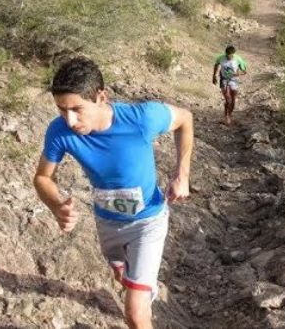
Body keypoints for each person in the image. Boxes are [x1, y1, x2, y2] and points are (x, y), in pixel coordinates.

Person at [32, 57, 193, 329]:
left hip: (148, 222)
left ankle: (142, 292)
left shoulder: (141, 119)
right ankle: (139, 283)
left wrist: (182, 174)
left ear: (101, 97)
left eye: (77, 109)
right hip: (107, 223)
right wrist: (56, 204)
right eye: (61, 110)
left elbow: (185, 119)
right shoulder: (59, 131)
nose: (69, 120)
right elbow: (42, 177)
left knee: (135, 314)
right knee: (122, 277)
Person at [212, 45, 247, 125]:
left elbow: (244, 71)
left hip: (234, 80)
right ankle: (226, 116)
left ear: (233, 54)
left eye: (230, 55)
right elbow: (216, 65)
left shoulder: (238, 59)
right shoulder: (221, 58)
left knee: (233, 99)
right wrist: (214, 76)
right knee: (228, 99)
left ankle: (230, 115)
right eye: (227, 55)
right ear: (225, 53)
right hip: (224, 79)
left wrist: (238, 74)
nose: (229, 57)